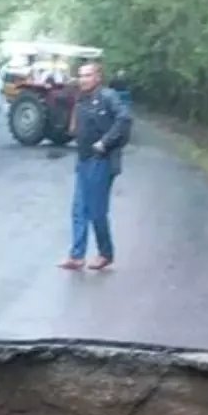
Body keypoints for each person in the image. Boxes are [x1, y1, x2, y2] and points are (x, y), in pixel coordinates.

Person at [58, 60, 131, 273]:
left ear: (98, 77)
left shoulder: (108, 97)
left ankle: (106, 253)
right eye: (81, 75)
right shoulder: (82, 99)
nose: (83, 79)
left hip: (101, 161)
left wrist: (105, 142)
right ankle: (76, 256)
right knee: (79, 209)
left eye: (88, 75)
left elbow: (124, 119)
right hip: (83, 160)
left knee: (97, 211)